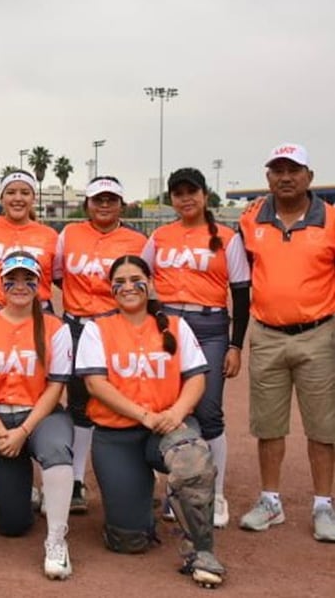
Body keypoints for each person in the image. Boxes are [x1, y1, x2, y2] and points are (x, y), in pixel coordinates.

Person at [76, 255, 225, 588]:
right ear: (111, 289)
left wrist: (175, 413)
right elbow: (95, 384)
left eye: (135, 279)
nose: (128, 286)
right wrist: (143, 415)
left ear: (150, 283)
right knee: (129, 541)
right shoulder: (96, 329)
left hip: (168, 429)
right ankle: (141, 502)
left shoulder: (174, 325)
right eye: (120, 282)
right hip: (117, 434)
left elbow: (196, 378)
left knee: (193, 461)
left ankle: (201, 551)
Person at [236, 144, 335, 542]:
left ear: (309, 176)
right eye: (277, 170)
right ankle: (270, 501)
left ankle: (323, 506)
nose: (285, 177)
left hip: (319, 335)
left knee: (323, 427)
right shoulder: (250, 219)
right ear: (268, 178)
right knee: (268, 425)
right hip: (267, 334)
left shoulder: (330, 221)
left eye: (293, 169)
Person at [143, 167, 251, 528]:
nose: (185, 199)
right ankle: (177, 489)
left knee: (208, 412)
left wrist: (235, 345)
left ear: (205, 195)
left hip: (210, 328)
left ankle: (214, 493)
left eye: (192, 191)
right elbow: (141, 283)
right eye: (178, 193)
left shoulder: (226, 236)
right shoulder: (159, 236)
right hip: (168, 326)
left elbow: (240, 292)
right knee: (168, 406)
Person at [0, 251, 75, 580]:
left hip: (42, 416)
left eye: (27, 279)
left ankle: (57, 539)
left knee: (56, 451)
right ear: (0, 284)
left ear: (39, 284)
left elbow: (56, 387)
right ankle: (24, 490)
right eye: (12, 280)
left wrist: (24, 430)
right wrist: (0, 428)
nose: (20, 286)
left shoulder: (55, 328)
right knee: (13, 525)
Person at [53, 176, 146, 513]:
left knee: (127, 398)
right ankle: (77, 480)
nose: (104, 205)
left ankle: (136, 476)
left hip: (118, 329)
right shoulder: (70, 235)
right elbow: (58, 275)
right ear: (87, 203)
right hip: (77, 326)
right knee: (80, 403)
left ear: (122, 204)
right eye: (97, 199)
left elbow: (144, 285)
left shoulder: (137, 241)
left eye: (111, 199)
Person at [0, 170, 58, 316]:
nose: (18, 198)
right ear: (1, 197)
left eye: (25, 193)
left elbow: (59, 277)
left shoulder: (49, 235)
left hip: (37, 315)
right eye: (11, 192)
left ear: (34, 198)